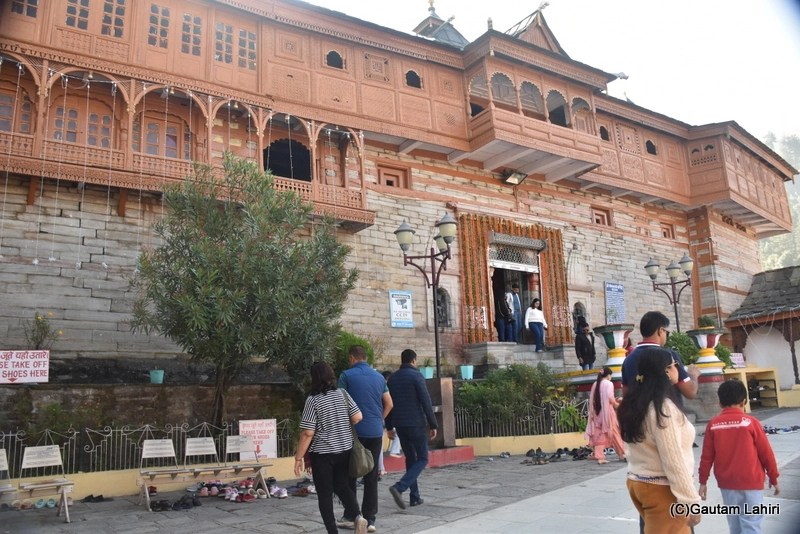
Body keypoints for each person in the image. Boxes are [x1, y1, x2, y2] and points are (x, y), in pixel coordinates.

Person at [617, 347, 702, 533]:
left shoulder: (635, 403)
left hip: (640, 482)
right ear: (665, 371)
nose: (677, 369)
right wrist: (690, 500)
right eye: (674, 365)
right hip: (662, 489)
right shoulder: (663, 409)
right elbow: (673, 458)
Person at [294, 362, 368, 534]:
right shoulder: (342, 394)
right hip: (344, 449)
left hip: (323, 454)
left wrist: (299, 457)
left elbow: (308, 433)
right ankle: (358, 516)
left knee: (325, 494)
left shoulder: (313, 400)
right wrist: (340, 424)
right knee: (343, 485)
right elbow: (358, 416)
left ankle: (332, 531)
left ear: (314, 378)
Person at [698, 380, 780, 534]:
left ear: (720, 403)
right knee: (752, 524)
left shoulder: (713, 425)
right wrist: (774, 478)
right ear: (744, 401)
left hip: (727, 484)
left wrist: (703, 482)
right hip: (752, 482)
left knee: (734, 524)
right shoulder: (751, 423)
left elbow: (706, 457)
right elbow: (766, 454)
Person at [337, 346, 393, 533]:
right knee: (371, 476)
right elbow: (389, 403)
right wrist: (380, 419)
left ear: (352, 358)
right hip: (375, 432)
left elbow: (340, 402)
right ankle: (370, 520)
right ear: (365, 358)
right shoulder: (379, 377)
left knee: (350, 473)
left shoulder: (346, 375)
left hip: (353, 432)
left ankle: (352, 515)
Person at [385, 349, 438, 510]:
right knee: (422, 458)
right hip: (416, 423)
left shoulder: (392, 378)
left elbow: (388, 403)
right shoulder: (416, 376)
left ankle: (414, 497)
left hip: (400, 424)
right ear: (414, 361)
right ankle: (400, 487)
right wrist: (433, 424)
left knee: (410, 459)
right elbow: (425, 401)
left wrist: (388, 427)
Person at [621, 311, 701, 404]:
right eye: (667, 333)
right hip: (666, 414)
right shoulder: (668, 356)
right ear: (660, 331)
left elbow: (626, 394)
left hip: (639, 415)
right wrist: (693, 375)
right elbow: (690, 392)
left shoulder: (628, 359)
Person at [584, 367, 625, 464]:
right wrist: (617, 404)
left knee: (599, 433)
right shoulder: (609, 384)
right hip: (607, 412)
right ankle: (622, 454)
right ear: (608, 375)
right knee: (614, 432)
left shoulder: (595, 384)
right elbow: (610, 398)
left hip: (597, 413)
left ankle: (599, 456)